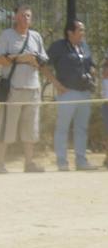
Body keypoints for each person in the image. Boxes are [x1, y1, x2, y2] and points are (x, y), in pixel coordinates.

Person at [0, 4, 50, 174]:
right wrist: (20, 58)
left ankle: (29, 163)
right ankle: (0, 163)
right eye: (22, 15)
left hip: (33, 88)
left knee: (30, 127)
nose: (25, 18)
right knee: (7, 125)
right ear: (15, 17)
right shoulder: (6, 35)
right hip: (13, 88)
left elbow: (44, 60)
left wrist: (35, 60)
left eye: (28, 16)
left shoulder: (36, 36)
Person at [47, 20, 96, 171]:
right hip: (67, 93)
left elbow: (90, 64)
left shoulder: (84, 46)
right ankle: (62, 162)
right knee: (63, 128)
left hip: (84, 92)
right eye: (80, 30)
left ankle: (81, 161)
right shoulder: (58, 46)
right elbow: (43, 65)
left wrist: (91, 73)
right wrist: (56, 84)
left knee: (82, 128)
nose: (83, 33)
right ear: (70, 32)